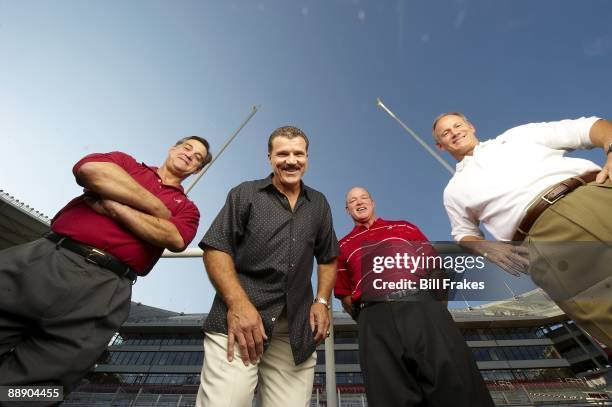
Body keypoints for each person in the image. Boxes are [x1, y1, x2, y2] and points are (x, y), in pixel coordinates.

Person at [0, 136, 211, 396]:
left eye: (198, 157)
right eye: (187, 148)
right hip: (49, 257)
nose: (190, 155)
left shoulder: (188, 209)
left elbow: (175, 238)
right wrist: (157, 209)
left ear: (197, 169)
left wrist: (113, 205)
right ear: (173, 149)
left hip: (106, 287)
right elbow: (90, 171)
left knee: (43, 384)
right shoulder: (127, 163)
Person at [433, 112, 612, 347]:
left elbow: (589, 127)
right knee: (601, 311)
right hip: (544, 240)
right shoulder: (454, 190)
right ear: (440, 145)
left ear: (471, 126)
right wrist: (487, 249)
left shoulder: (519, 135)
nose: (454, 132)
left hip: (592, 195)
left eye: (457, 125)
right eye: (446, 132)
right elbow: (463, 233)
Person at [196, 126, 338, 407]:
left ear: (307, 159)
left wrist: (322, 301)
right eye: (282, 154)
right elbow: (216, 248)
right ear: (269, 157)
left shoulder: (319, 203)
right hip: (239, 320)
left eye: (299, 154)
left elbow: (328, 256)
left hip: (295, 329)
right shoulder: (245, 193)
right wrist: (237, 304)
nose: (291, 160)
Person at [334, 186, 494, 407]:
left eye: (363, 198)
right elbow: (344, 294)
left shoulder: (404, 227)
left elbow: (434, 266)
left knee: (455, 382)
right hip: (374, 316)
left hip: (420, 303)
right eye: (352, 200)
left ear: (372, 202)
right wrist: (370, 317)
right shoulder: (341, 246)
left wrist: (434, 307)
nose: (359, 202)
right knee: (390, 394)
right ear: (347, 209)